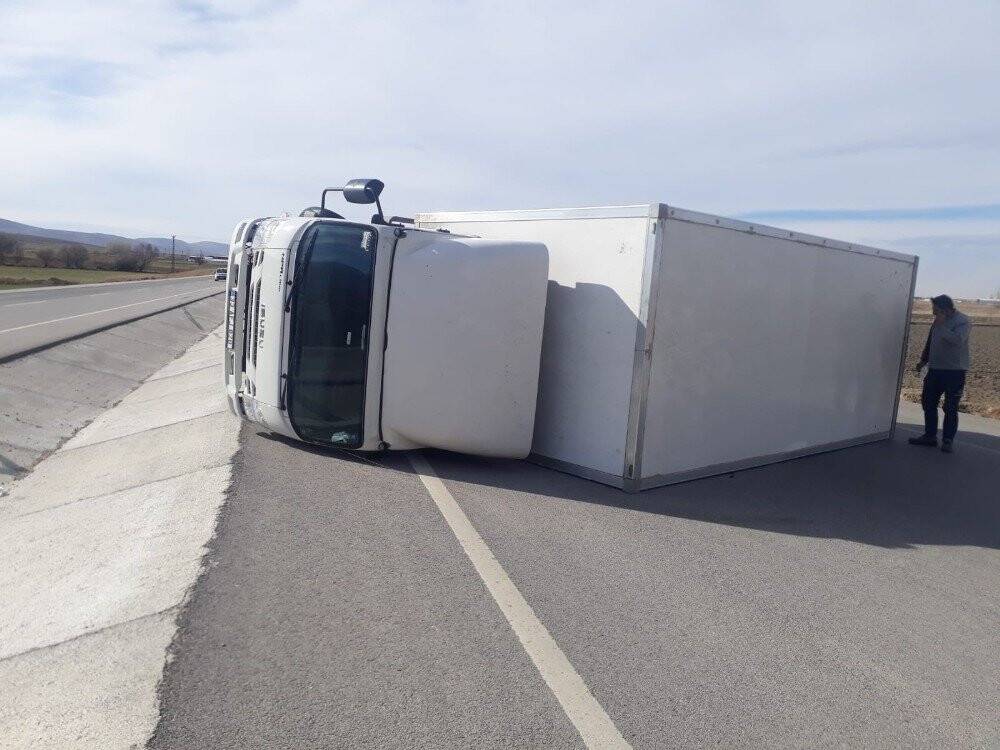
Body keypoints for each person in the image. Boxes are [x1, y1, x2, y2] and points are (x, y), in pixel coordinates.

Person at [909, 294, 971, 453]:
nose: (933, 313)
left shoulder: (963, 321)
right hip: (935, 370)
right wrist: (923, 360)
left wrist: (942, 326)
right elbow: (930, 342)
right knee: (928, 402)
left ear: (946, 310)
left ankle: (948, 440)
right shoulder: (937, 322)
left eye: (936, 310)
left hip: (954, 372)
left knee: (950, 407)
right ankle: (930, 436)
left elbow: (958, 340)